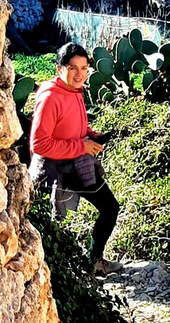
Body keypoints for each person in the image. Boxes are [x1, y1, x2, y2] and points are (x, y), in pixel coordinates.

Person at [28, 42, 122, 276]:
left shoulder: (74, 91)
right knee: (53, 224)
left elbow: (69, 125)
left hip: (75, 163)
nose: (79, 74)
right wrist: (82, 145)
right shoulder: (50, 97)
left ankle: (93, 261)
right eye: (73, 68)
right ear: (60, 68)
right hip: (56, 169)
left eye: (84, 68)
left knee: (108, 208)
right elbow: (39, 144)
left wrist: (89, 134)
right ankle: (61, 272)